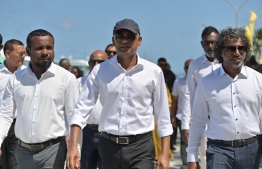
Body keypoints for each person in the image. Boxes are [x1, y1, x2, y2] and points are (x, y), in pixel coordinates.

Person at [67, 18, 173, 169]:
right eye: (120, 37)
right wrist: (73, 147)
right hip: (109, 146)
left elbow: (163, 115)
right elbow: (82, 108)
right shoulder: (101, 71)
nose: (124, 41)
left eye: (129, 37)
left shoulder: (153, 72)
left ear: (139, 40)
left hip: (141, 147)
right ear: (113, 40)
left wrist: (164, 153)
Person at [0, 29, 79, 168]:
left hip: (53, 152)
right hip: (21, 152)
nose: (45, 52)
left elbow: (74, 117)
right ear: (28, 51)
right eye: (39, 48)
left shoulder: (67, 79)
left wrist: (75, 148)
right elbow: (5, 115)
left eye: (49, 47)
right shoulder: (16, 80)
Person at [187, 27, 262, 169]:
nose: (237, 53)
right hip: (218, 150)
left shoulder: (258, 80)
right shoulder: (206, 83)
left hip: (251, 149)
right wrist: (191, 155)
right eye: (232, 48)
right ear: (221, 51)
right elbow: (198, 120)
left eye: (241, 48)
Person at [181, 26, 220, 169]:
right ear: (201, 44)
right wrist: (185, 125)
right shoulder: (195, 66)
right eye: (206, 42)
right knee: (203, 160)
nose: (210, 46)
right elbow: (188, 95)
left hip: (224, 122)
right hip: (203, 123)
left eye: (213, 42)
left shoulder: (227, 64)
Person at [79, 50, 108, 169]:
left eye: (100, 62)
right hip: (86, 132)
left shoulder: (113, 83)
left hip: (106, 134)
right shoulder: (78, 83)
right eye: (93, 61)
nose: (96, 65)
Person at [0, 39, 26, 169]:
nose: (24, 56)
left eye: (24, 53)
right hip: (1, 123)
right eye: (20, 53)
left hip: (20, 125)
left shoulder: (28, 74)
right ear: (8, 53)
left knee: (15, 162)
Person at [170, 59, 192, 168]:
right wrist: (173, 117)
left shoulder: (201, 81)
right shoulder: (178, 81)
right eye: (188, 67)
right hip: (181, 116)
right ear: (184, 68)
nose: (190, 69)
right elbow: (174, 100)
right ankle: (185, 164)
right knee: (185, 141)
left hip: (198, 117)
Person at [157, 57, 176, 150]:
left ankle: (169, 146)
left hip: (170, 102)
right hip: (155, 105)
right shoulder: (154, 74)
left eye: (165, 65)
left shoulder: (171, 75)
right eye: (161, 65)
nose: (163, 67)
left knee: (170, 126)